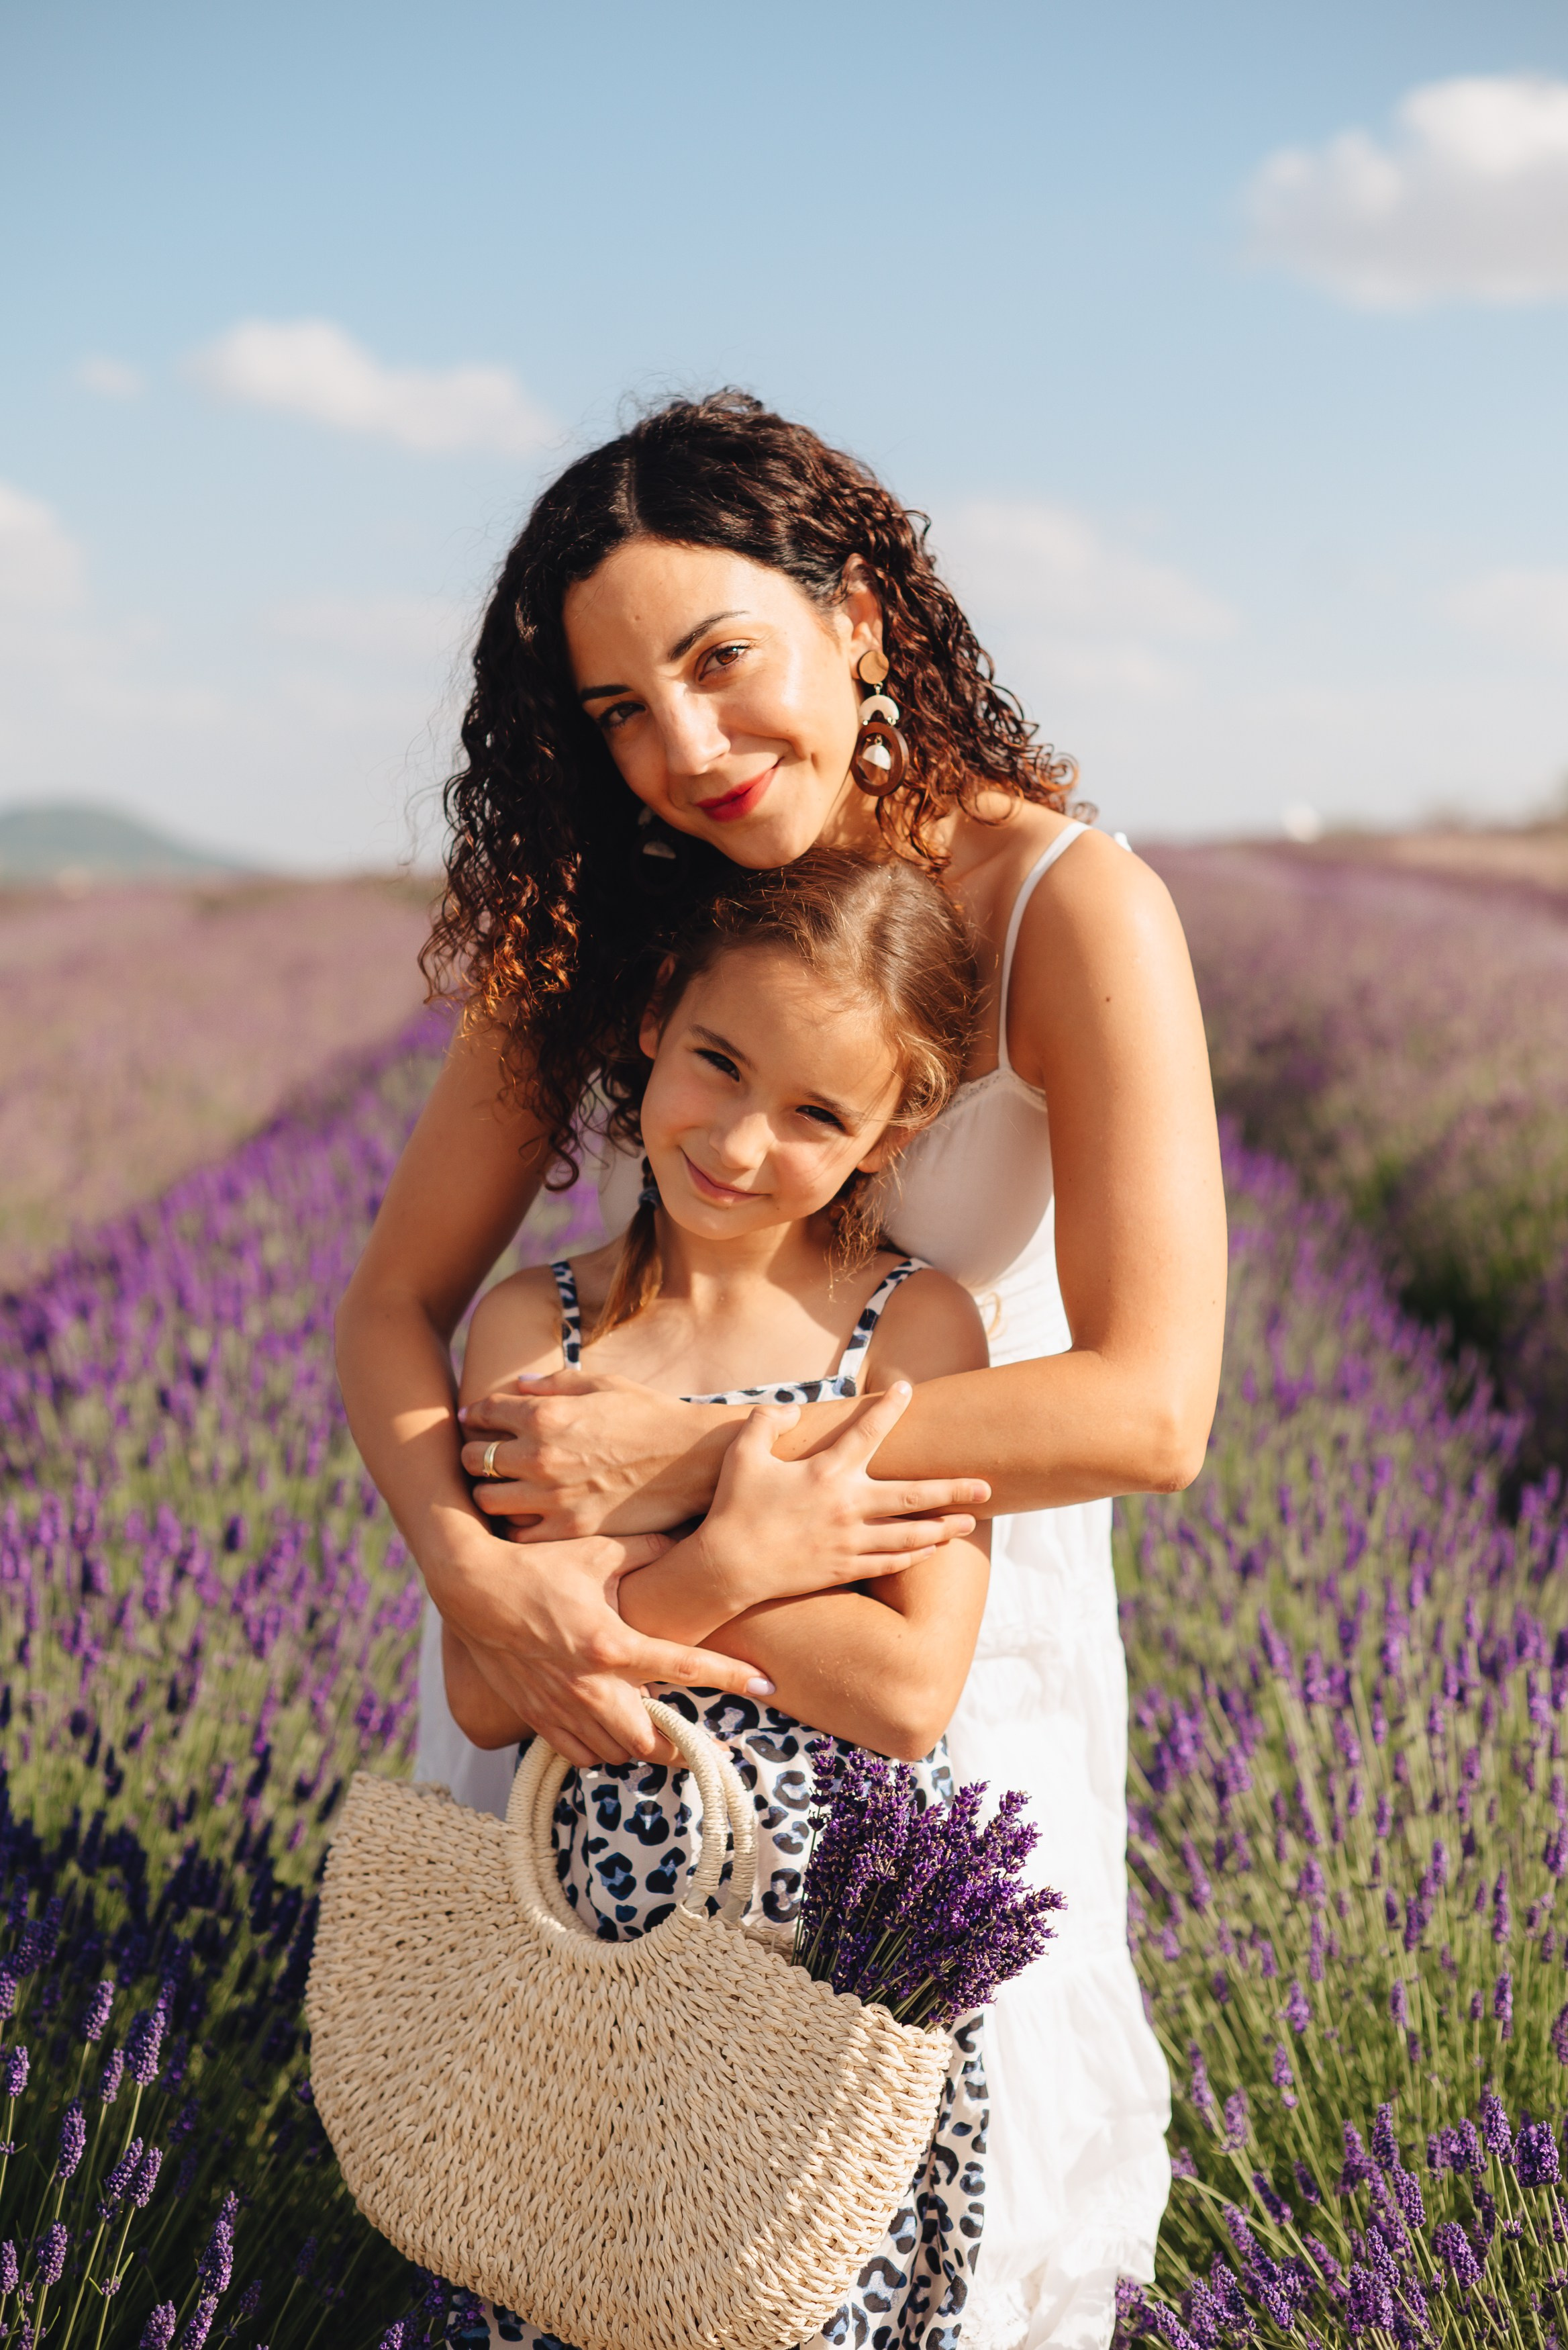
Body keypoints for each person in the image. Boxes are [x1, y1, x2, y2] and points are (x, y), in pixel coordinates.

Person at [336, 391, 1228, 2349]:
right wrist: (478, 1577)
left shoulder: (1077, 911)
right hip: (572, 1636)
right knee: (584, 2183)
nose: (686, 750)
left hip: (909, 1601)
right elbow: (395, 1301)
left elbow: (1153, 1404)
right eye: (619, 712)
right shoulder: (608, 900)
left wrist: (677, 1459)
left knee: (899, 2220)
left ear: (865, 618)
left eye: (720, 661)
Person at [449, 849, 993, 2346]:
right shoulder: (532, 1322)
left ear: (895, 1124)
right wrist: (738, 1556)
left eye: (817, 1111)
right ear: (653, 1019)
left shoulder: (910, 1326)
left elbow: (903, 1692)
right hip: (583, 1939)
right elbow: (491, 1683)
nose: (743, 1140)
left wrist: (625, 1554)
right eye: (718, 1064)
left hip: (825, 1959)